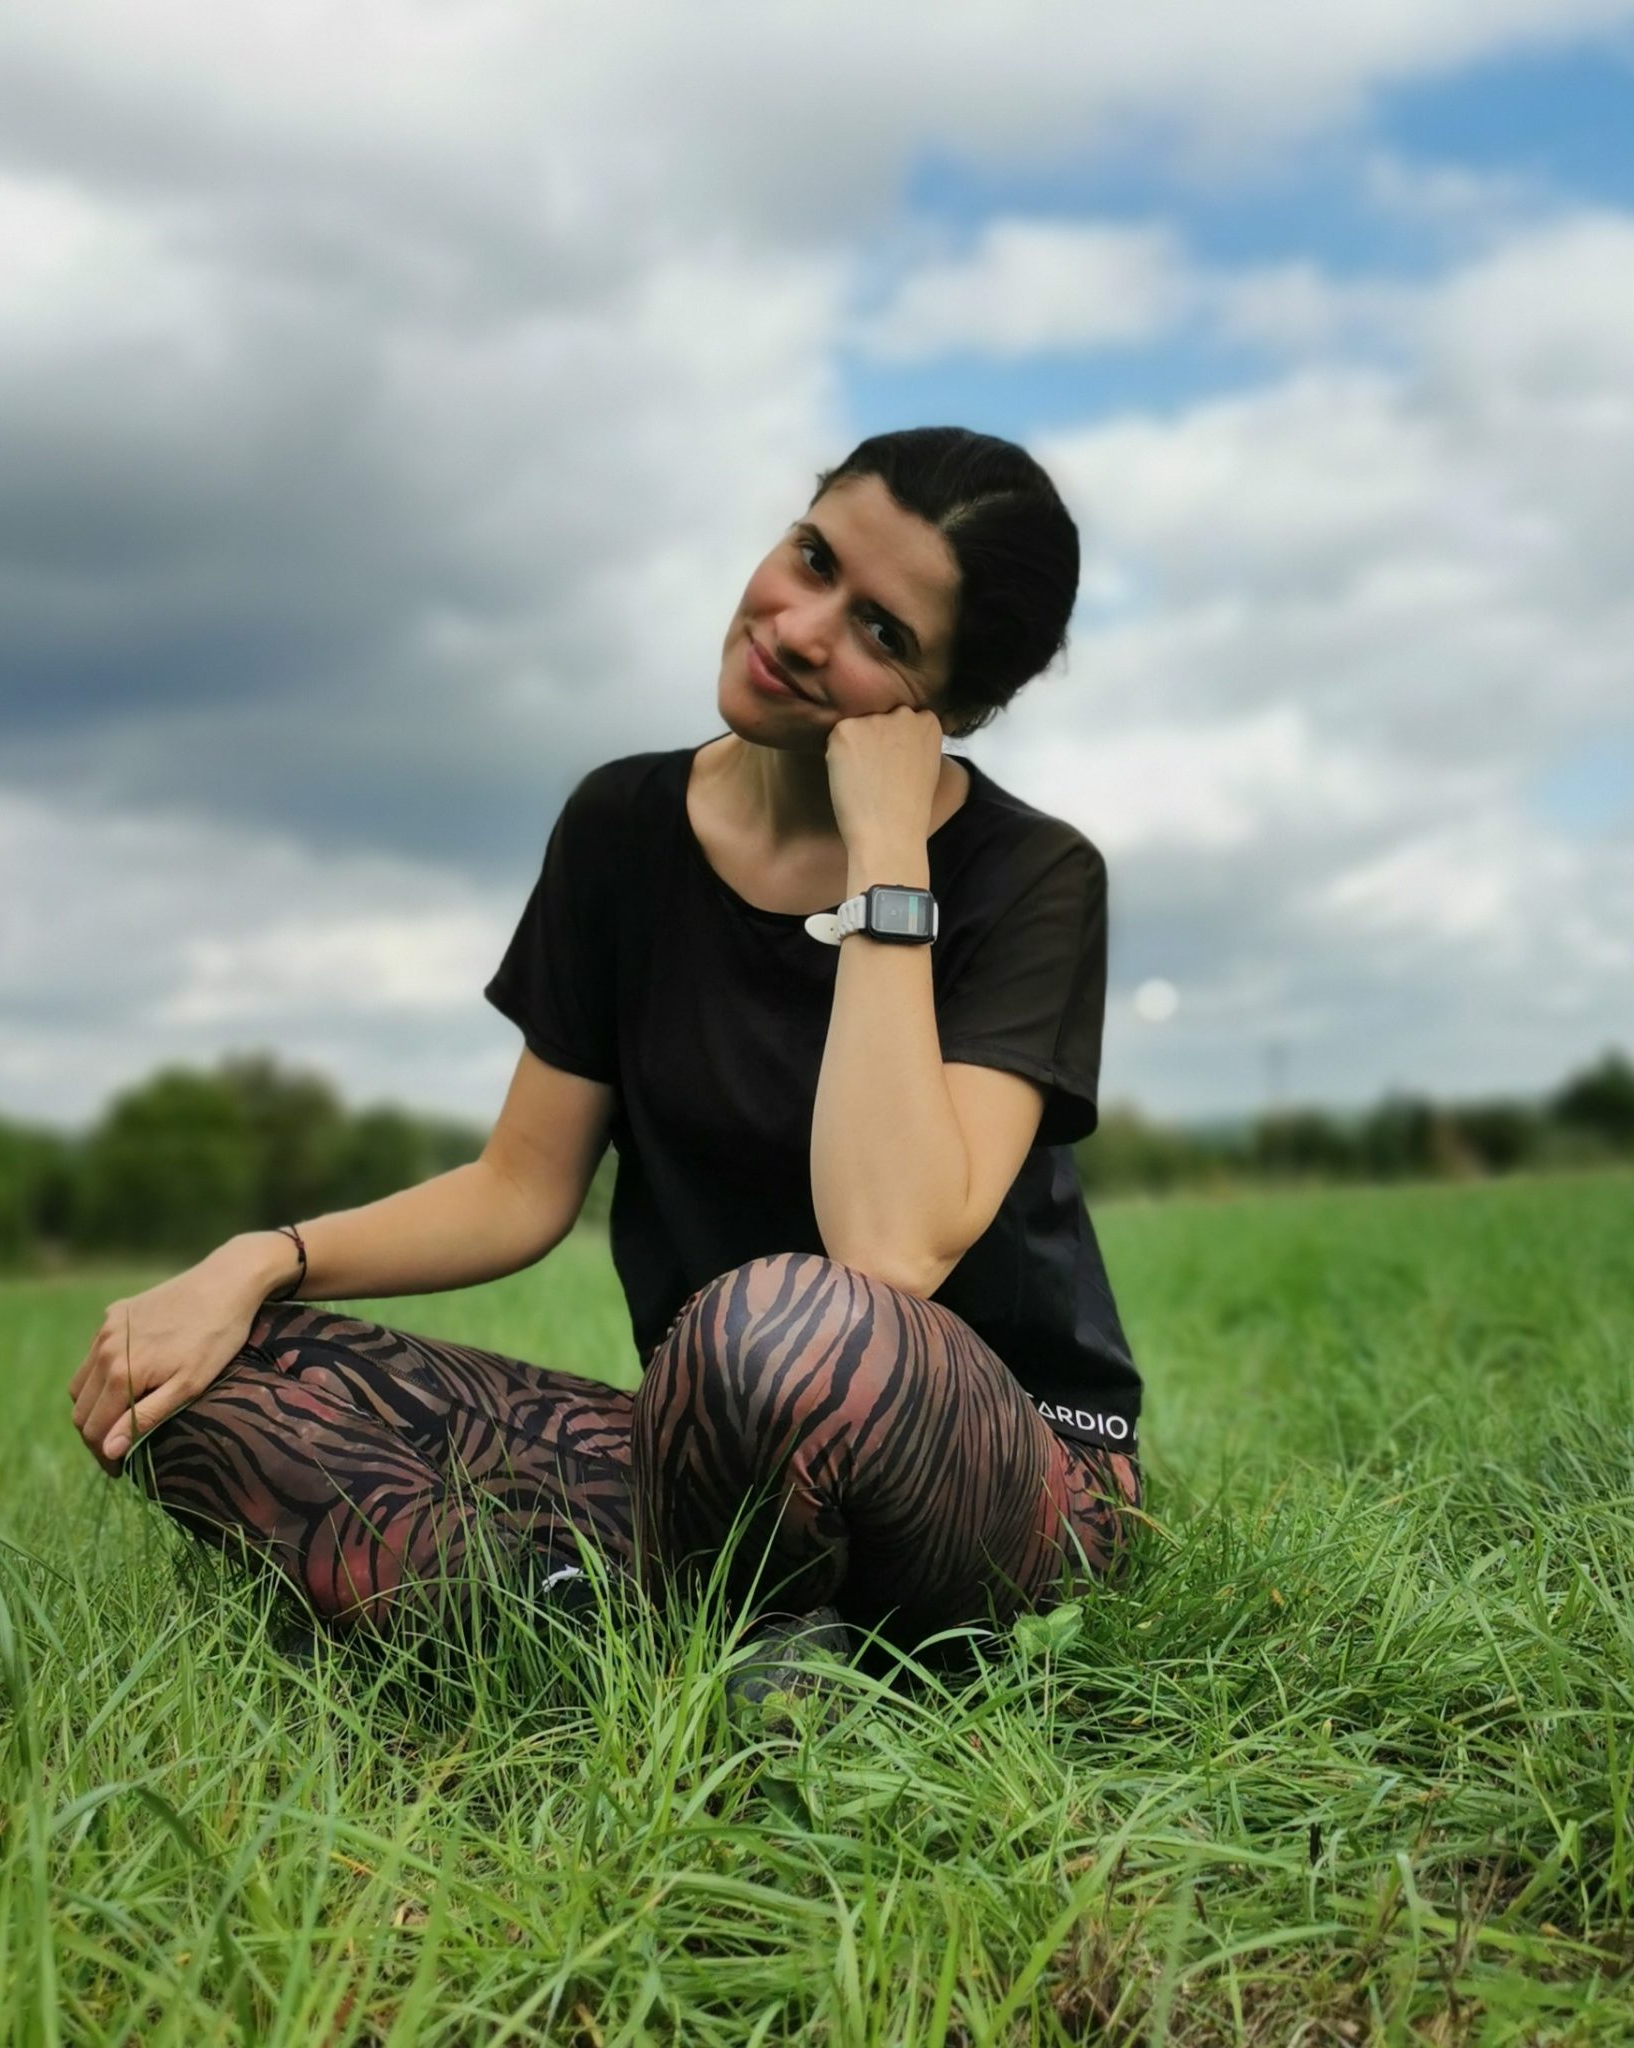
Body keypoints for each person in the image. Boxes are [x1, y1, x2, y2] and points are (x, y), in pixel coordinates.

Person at [65, 426, 1144, 1679]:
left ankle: (655, 1637)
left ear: (948, 710)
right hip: (716, 1447)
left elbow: (888, 1249)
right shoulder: (621, 826)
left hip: (1006, 1465)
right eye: (809, 558)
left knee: (784, 1323)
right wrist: (261, 1261)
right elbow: (519, 1188)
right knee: (207, 1378)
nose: (799, 628)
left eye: (882, 634)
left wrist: (888, 853)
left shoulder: (1032, 877)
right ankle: (651, 1634)